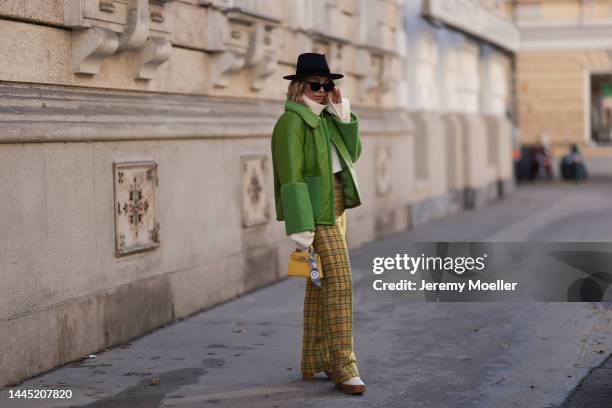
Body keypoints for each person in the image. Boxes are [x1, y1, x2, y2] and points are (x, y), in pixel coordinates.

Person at [271, 53, 365, 395]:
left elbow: (352, 155)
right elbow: (290, 176)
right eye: (316, 85)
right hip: (314, 212)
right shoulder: (291, 123)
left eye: (328, 85)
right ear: (299, 87)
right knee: (340, 280)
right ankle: (343, 364)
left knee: (320, 282)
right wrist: (300, 223)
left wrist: (343, 115)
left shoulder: (326, 119)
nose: (323, 91)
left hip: (337, 205)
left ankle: (314, 359)